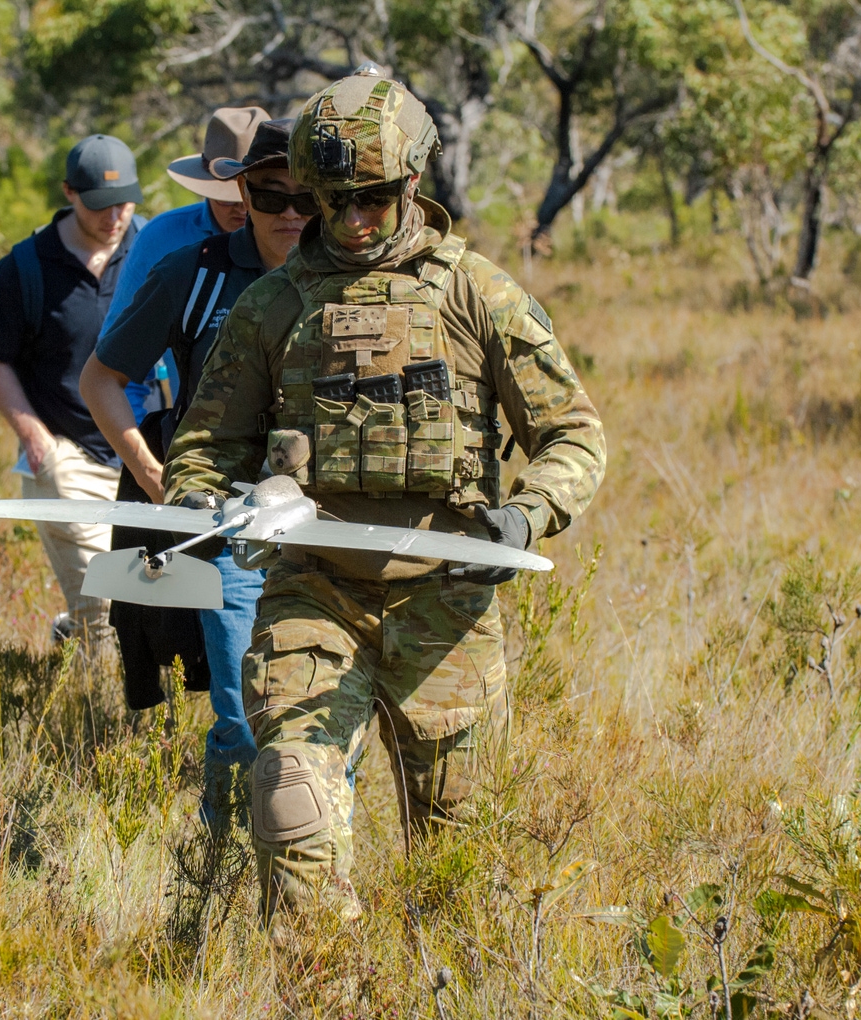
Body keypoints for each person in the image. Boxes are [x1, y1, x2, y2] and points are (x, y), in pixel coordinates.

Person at [163, 70, 607, 921]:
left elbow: (574, 435)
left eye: (372, 197)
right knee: (291, 810)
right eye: (333, 200)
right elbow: (208, 443)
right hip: (313, 592)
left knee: (460, 859)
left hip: (447, 604)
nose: (353, 219)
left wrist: (522, 516)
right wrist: (197, 501)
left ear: (413, 183)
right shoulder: (272, 306)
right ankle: (322, 987)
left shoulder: (476, 292)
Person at [81, 119, 314, 824]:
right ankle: (216, 861)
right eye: (271, 197)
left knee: (318, 726)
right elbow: (102, 378)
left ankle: (304, 865)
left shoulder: (351, 279)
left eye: (308, 198)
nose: (290, 214)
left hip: (329, 530)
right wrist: (158, 479)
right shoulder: (195, 269)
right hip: (229, 531)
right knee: (242, 712)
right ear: (243, 191)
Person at [0, 134, 144, 655]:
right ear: (69, 193)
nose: (114, 216)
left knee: (157, 595)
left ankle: (71, 633)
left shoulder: (155, 248)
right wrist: (33, 435)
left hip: (147, 454)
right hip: (69, 454)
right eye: (98, 205)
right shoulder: (26, 267)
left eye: (125, 201)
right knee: (107, 603)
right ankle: (97, 714)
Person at [103, 107, 270, 422]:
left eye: (254, 196)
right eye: (227, 199)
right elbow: (116, 365)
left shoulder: (297, 236)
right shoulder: (162, 240)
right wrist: (144, 452)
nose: (242, 210)